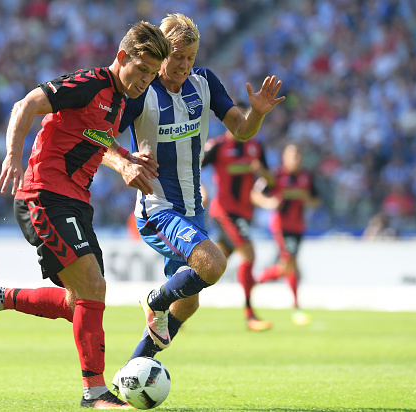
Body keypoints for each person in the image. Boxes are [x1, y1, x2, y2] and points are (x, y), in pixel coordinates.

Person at [0, 21, 171, 409]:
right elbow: (25, 104)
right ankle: (94, 393)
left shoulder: (120, 101)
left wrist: (126, 158)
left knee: (79, 300)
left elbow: (94, 136)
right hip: (43, 195)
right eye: (141, 69)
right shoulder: (90, 83)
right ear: (123, 57)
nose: (145, 80)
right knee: (94, 288)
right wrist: (12, 155)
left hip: (75, 201)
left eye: (151, 74)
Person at [105, 13, 285, 362]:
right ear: (161, 54)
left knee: (188, 303)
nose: (185, 65)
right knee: (214, 265)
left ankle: (137, 366)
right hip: (158, 208)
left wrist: (257, 113)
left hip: (193, 210)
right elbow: (102, 137)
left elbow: (242, 130)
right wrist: (125, 163)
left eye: (191, 57)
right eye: (177, 57)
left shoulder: (204, 83)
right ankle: (154, 300)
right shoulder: (143, 92)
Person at [201, 102, 275, 331]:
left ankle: (171, 303)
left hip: (244, 213)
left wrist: (260, 172)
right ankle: (250, 314)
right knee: (249, 254)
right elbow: (192, 168)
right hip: (225, 212)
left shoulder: (255, 147)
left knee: (210, 266)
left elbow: (270, 181)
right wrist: (202, 191)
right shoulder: (217, 146)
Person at [251, 142, 321, 326]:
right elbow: (255, 194)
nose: (295, 159)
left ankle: (257, 280)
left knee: (290, 266)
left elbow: (316, 201)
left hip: (298, 227)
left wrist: (308, 200)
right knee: (289, 261)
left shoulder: (306, 177)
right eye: (291, 155)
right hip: (281, 226)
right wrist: (270, 203)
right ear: (284, 158)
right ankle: (295, 306)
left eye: (298, 155)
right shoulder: (275, 175)